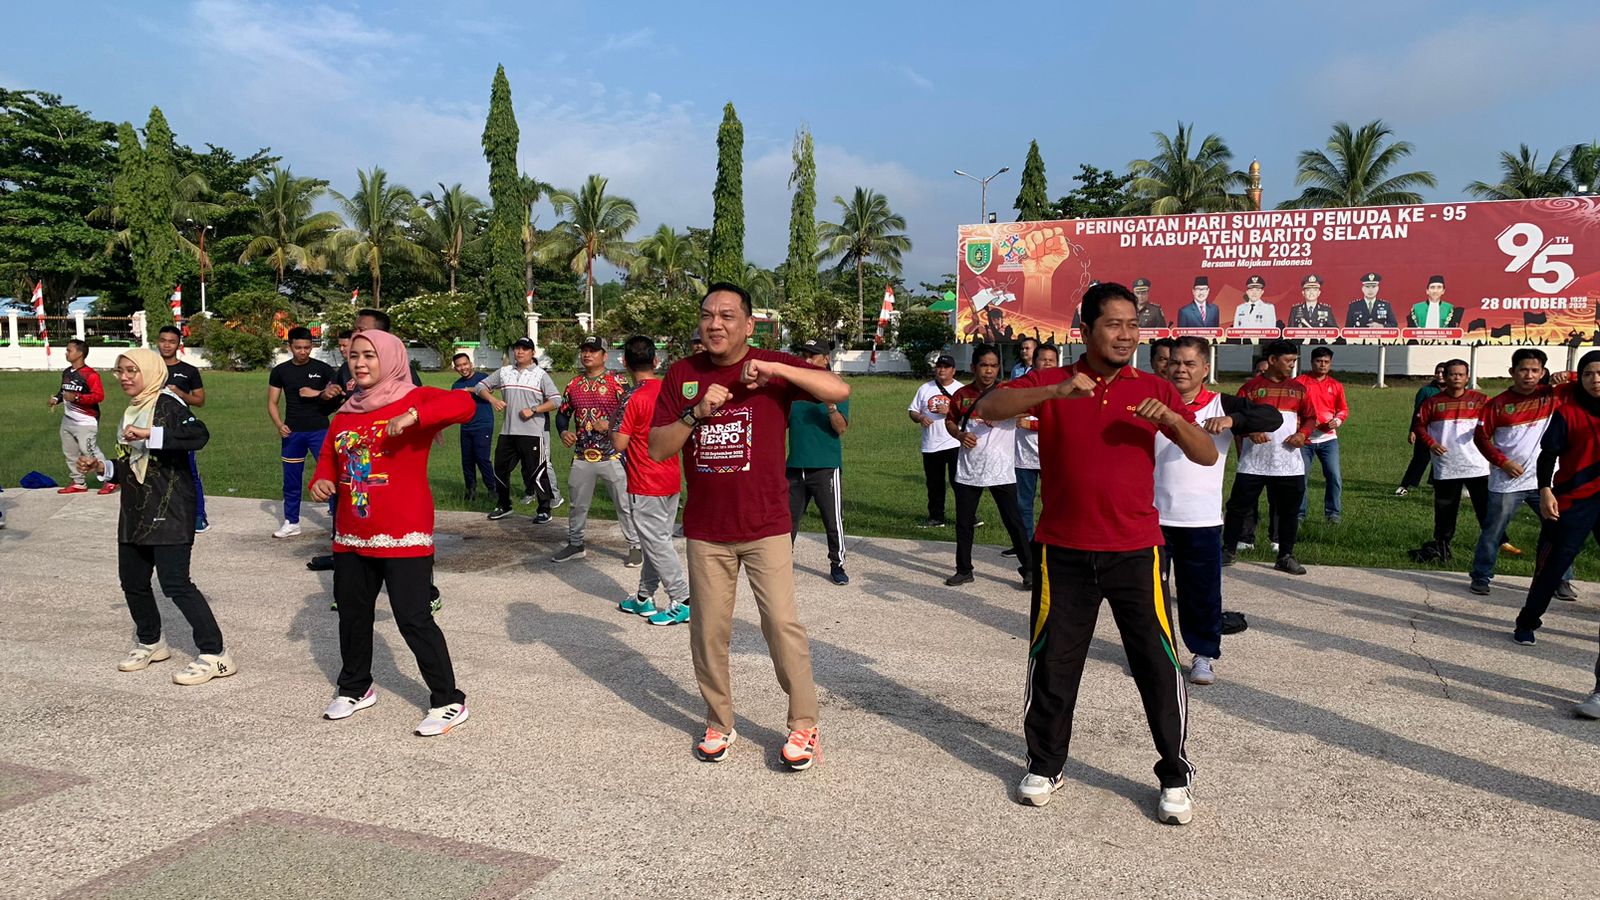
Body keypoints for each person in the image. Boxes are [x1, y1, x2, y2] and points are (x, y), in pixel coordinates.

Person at [973, 281, 1217, 823]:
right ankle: (1045, 764)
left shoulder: (1154, 386)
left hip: (1136, 549)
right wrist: (1055, 393)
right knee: (1054, 661)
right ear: (1085, 330)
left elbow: (1205, 455)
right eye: (1114, 324)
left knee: (1157, 663)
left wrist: (1173, 420)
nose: (1127, 335)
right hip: (1061, 550)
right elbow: (988, 407)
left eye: (1133, 324)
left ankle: (1175, 775)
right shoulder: (1052, 380)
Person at [648, 282, 848, 770]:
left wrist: (779, 370)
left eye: (727, 316)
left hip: (765, 524)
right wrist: (697, 413)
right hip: (706, 529)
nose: (715, 324)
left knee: (781, 624)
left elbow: (838, 390)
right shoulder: (683, 374)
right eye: (707, 315)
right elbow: (657, 447)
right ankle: (719, 722)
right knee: (708, 632)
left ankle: (804, 724)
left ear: (749, 324)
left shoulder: (772, 367)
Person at [308, 329, 475, 736]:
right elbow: (331, 453)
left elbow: (464, 403)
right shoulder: (347, 410)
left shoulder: (413, 397)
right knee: (352, 614)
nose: (360, 363)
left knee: (413, 618)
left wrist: (414, 416)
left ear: (390, 357)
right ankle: (355, 687)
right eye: (354, 356)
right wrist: (321, 478)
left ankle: (448, 700)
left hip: (403, 531)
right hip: (351, 532)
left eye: (370, 355)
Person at [79, 349, 233, 685]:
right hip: (136, 510)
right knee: (133, 582)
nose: (124, 378)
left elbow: (199, 435)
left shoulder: (167, 404)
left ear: (149, 372)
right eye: (119, 371)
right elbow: (131, 464)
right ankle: (151, 642)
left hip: (169, 507)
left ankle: (216, 655)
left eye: (131, 370)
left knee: (175, 584)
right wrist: (102, 467)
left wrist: (151, 434)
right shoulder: (132, 410)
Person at [1156, 337, 1283, 686]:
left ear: (1205, 368)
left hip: (1201, 519)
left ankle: (1203, 654)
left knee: (1201, 593)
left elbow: (1271, 416)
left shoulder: (1219, 403)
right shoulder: (1153, 402)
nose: (1181, 370)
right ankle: (1158, 656)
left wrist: (1232, 420)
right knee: (1149, 595)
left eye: (1189, 364)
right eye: (1174, 363)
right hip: (1151, 518)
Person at [1512, 352, 1600, 675]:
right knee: (1552, 566)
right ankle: (1527, 621)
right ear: (1581, 378)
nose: (1595, 379)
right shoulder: (1568, 413)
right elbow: (1548, 455)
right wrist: (1545, 490)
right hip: (1573, 500)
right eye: (1588, 374)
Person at [1471, 349, 1578, 597]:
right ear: (1512, 372)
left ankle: (1562, 579)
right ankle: (1481, 575)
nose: (1528, 375)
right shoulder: (1497, 404)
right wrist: (1502, 462)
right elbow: (1481, 437)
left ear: (1542, 373)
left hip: (1546, 483)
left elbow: (1589, 381)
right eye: (1523, 370)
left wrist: (1569, 374)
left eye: (1534, 370)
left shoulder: (1553, 395)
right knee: (1494, 530)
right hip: (1508, 481)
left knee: (1559, 530)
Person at [1222, 340, 1317, 575]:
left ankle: (1285, 555)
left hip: (1288, 462)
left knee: (1289, 511)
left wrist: (1302, 434)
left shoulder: (1299, 389)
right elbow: (1235, 418)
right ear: (1272, 360)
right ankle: (1227, 550)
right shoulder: (1250, 389)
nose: (1292, 365)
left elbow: (1310, 417)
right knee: (1237, 508)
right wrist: (1249, 431)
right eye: (1288, 361)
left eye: (1294, 361)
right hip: (1254, 462)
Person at [614, 335, 691, 625]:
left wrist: (607, 425)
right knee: (654, 541)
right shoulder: (670, 392)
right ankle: (644, 597)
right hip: (670, 477)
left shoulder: (631, 397)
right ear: (655, 361)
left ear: (625, 362)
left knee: (656, 543)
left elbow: (619, 442)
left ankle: (682, 599)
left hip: (645, 481)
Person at [944, 344, 1029, 589]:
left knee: (1014, 521)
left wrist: (1001, 412)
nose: (989, 371)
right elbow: (950, 421)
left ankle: (1030, 571)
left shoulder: (1007, 392)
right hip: (969, 469)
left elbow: (1030, 408)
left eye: (993, 366)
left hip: (1001, 469)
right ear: (973, 367)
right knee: (964, 523)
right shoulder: (962, 395)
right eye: (984, 365)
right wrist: (960, 435)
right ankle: (964, 569)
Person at [554, 336, 640, 565]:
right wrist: (563, 432)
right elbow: (562, 413)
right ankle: (575, 543)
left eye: (593, 351)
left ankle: (635, 545)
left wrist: (611, 426)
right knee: (577, 504)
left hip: (613, 454)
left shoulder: (617, 381)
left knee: (624, 503)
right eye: (584, 350)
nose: (587, 355)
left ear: (604, 355)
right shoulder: (573, 384)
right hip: (582, 453)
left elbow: (632, 412)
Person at [1410, 359, 1490, 562]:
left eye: (1461, 374)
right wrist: (1431, 443)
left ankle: (1494, 545)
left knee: (1486, 509)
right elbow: (1419, 426)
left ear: (1467, 377)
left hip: (1477, 465)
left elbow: (1494, 423)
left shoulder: (1481, 400)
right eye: (1452, 374)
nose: (1456, 378)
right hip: (1446, 466)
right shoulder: (1432, 402)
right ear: (1445, 377)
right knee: (1445, 511)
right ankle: (1442, 548)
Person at [787, 339, 851, 586]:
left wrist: (830, 406)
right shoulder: (794, 390)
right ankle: (782, 563)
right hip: (795, 465)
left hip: (825, 465)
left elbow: (841, 428)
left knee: (832, 520)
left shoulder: (836, 386)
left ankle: (837, 564)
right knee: (786, 519)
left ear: (825, 359)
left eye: (812, 355)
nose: (807, 359)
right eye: (804, 354)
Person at [477, 338, 561, 521]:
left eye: (525, 349)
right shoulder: (504, 372)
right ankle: (504, 505)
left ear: (532, 353)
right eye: (517, 348)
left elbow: (556, 400)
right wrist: (493, 400)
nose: (520, 352)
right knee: (500, 470)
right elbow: (480, 386)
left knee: (536, 471)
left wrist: (534, 410)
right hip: (507, 432)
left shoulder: (540, 375)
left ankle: (544, 509)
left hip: (532, 433)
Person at [267, 327, 337, 538]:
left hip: (320, 431)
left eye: (307, 347)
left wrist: (315, 393)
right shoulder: (280, 371)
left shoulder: (323, 369)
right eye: (298, 347)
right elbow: (272, 402)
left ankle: (339, 524)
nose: (303, 351)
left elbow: (337, 395)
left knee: (331, 475)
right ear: (290, 347)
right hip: (293, 433)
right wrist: (279, 424)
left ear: (312, 346)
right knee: (291, 480)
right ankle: (291, 522)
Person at [156, 325, 209, 532]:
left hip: (180, 430)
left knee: (189, 472)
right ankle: (162, 515)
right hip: (152, 428)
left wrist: (179, 393)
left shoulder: (188, 371)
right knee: (156, 473)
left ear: (179, 344)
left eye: (171, 341)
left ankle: (199, 516)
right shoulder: (149, 368)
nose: (166, 345)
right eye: (163, 341)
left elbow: (200, 400)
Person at [49, 338, 112, 495]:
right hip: (68, 420)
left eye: (69, 350)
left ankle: (110, 479)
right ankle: (78, 482)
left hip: (86, 421)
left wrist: (77, 398)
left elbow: (99, 396)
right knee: (70, 453)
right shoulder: (67, 372)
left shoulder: (91, 375)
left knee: (90, 451)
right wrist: (56, 399)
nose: (66, 353)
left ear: (80, 353)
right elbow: (64, 391)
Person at [908, 354, 964, 528]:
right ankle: (936, 517)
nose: (942, 370)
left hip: (955, 442)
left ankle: (967, 516)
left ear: (953, 370)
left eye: (946, 367)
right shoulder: (925, 388)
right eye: (939, 366)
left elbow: (971, 416)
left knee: (960, 482)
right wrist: (920, 417)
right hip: (931, 444)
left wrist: (950, 411)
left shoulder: (961, 390)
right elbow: (912, 411)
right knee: (934, 484)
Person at [1014, 344, 1060, 546]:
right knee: (1023, 504)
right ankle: (1026, 545)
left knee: (1054, 503)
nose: (1047, 364)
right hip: (1024, 456)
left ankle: (1051, 544)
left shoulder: (1065, 389)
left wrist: (1031, 424)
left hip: (1053, 457)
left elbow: (1062, 421)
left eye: (1051, 360)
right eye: (1043, 359)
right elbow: (1009, 410)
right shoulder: (1022, 386)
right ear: (1034, 362)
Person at [1297, 347, 1349, 524]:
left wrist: (1338, 420)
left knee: (1334, 476)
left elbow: (1343, 409)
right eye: (1319, 361)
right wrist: (1300, 425)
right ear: (1311, 362)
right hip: (1304, 439)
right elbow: (1292, 407)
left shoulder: (1336, 385)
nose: (1322, 365)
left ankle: (1333, 514)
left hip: (1328, 439)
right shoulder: (1299, 383)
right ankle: (1299, 515)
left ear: (1330, 364)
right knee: (1301, 477)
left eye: (1326, 362)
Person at [449, 353, 496, 503]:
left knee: (482, 459)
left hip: (483, 424)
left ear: (471, 363)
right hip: (466, 427)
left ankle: (493, 490)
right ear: (455, 368)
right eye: (459, 366)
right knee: (467, 460)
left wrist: (468, 390)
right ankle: (470, 490)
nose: (463, 368)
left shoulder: (483, 378)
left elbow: (489, 391)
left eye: (465, 364)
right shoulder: (456, 386)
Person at [1397, 364, 1447, 497]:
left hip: (1443, 431)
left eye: (1443, 372)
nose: (1440, 375)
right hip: (1424, 430)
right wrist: (1413, 430)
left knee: (1441, 458)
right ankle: (1405, 485)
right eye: (1437, 372)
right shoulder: (1426, 391)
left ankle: (1436, 484)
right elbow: (1417, 412)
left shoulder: (1452, 392)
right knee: (1420, 459)